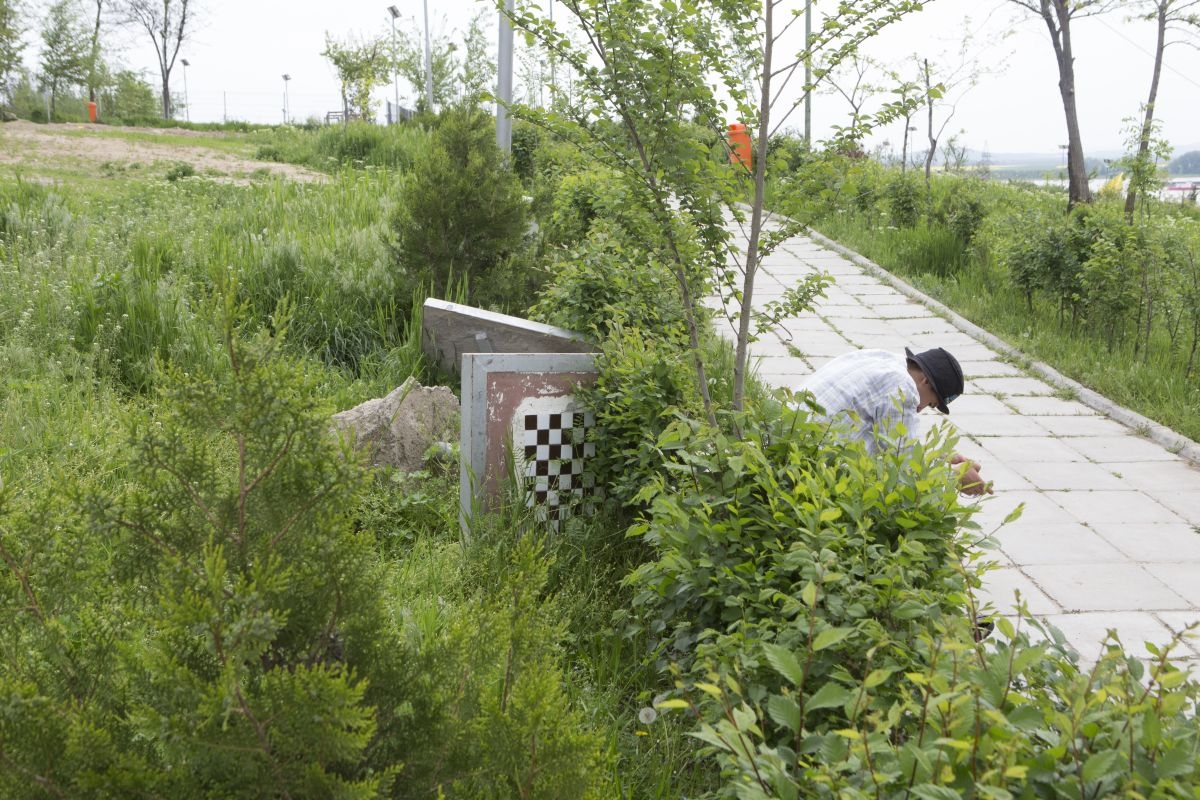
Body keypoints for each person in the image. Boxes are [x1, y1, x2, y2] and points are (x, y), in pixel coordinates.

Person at [799, 346, 992, 496]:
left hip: (788, 436)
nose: (919, 408)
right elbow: (902, 469)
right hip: (805, 466)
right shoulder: (903, 387)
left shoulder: (880, 358)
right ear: (925, 381)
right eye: (930, 404)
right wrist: (954, 475)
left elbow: (894, 447)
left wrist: (940, 458)